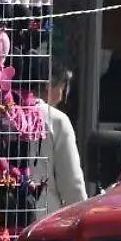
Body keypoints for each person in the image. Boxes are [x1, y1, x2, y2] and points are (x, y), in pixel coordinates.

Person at [33, 67, 88, 216]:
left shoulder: (3, 114)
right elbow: (72, 185)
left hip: (2, 217)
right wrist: (82, 216)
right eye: (62, 89)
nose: (61, 97)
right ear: (48, 85)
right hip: (43, 218)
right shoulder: (56, 120)